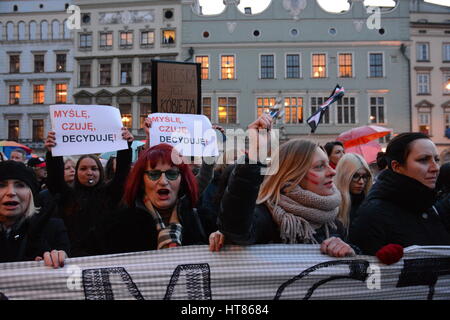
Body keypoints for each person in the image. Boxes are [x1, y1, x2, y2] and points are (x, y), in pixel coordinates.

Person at [216, 115, 356, 257]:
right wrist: (256, 153)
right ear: (292, 176)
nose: (332, 171)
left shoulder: (334, 224)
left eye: (328, 164)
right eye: (320, 166)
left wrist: (349, 251)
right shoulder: (268, 218)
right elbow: (235, 227)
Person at [104, 143, 218, 253]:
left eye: (172, 174)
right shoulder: (120, 224)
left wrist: (222, 239)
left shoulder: (201, 220)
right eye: (154, 174)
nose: (163, 182)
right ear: (142, 182)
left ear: (182, 180)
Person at [350, 132, 450, 255]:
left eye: (436, 159)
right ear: (397, 166)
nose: (435, 168)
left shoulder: (432, 204)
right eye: (423, 160)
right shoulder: (374, 213)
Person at [44, 128, 134, 257]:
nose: (89, 172)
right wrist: (53, 152)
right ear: (77, 172)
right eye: (83, 168)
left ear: (100, 172)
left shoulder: (110, 193)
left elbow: (121, 174)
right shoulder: (67, 195)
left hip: (107, 257)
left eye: (94, 168)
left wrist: (125, 147)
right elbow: (55, 179)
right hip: (75, 259)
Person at [0, 160, 70, 267]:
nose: (11, 192)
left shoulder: (53, 229)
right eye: (1, 185)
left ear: (31, 194)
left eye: (20, 185)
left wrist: (59, 257)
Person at [334, 153, 373, 233]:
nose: (361, 182)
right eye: (355, 176)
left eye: (365, 176)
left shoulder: (370, 204)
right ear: (344, 176)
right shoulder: (332, 205)